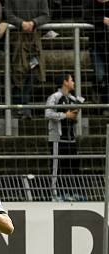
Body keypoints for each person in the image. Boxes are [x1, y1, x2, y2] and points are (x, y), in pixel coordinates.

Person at [3, 0, 49, 118]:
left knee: (34, 71)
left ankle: (24, 105)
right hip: (17, 39)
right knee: (18, 71)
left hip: (34, 41)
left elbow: (45, 15)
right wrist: (21, 23)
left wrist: (33, 23)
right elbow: (7, 14)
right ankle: (19, 107)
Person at [45, 72, 83, 202]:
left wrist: (74, 114)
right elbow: (48, 113)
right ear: (65, 82)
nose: (73, 82)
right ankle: (54, 194)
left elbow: (73, 115)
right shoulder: (54, 97)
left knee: (70, 166)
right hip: (57, 138)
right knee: (57, 167)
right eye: (71, 80)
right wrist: (65, 115)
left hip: (70, 138)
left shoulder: (72, 98)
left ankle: (69, 192)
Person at [84, 0, 109, 113]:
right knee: (100, 75)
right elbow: (86, 17)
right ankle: (99, 101)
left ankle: (105, 104)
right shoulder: (90, 3)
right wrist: (102, 19)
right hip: (96, 45)